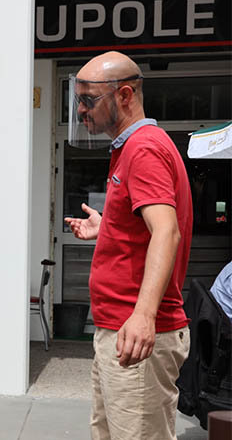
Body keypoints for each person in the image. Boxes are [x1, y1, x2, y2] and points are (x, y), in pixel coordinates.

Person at [64, 51, 192, 440]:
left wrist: (143, 316)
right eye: (78, 100)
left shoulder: (143, 148)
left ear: (124, 95)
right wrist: (107, 229)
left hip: (133, 329)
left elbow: (166, 231)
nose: (82, 111)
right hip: (120, 326)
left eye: (88, 100)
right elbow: (146, 230)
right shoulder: (131, 147)